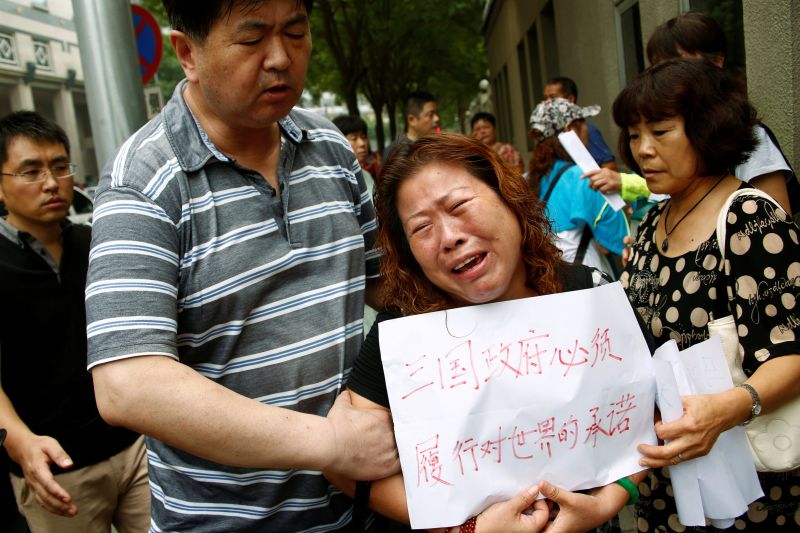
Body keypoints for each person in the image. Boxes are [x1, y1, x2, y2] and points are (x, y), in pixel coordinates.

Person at [84, 1, 399, 531]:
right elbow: (128, 383)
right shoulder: (145, 181)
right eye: (252, 41)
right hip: (226, 521)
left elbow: (386, 284)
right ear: (187, 52)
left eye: (295, 33)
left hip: (362, 509)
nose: (280, 58)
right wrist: (329, 443)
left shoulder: (330, 151)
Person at [327, 132, 651, 533]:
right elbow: (345, 467)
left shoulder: (588, 292)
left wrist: (608, 500)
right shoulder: (401, 332)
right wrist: (471, 530)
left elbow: (648, 407)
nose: (449, 238)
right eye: (422, 228)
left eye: (459, 205)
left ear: (508, 197)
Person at [615, 59, 800, 532]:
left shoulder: (750, 218)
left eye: (660, 131)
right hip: (671, 474)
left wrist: (730, 407)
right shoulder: (654, 220)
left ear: (708, 129)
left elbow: (793, 349)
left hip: (749, 481)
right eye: (634, 135)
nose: (643, 151)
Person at [0, 111, 150, 532]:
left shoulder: (99, 243)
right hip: (58, 470)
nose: (51, 183)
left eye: (60, 167)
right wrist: (22, 445)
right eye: (31, 171)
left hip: (135, 450)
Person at [585, 12, 797, 217]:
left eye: (679, 65)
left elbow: (774, 226)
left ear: (717, 61)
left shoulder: (749, 136)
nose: (668, 78)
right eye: (659, 67)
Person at [526, 98, 629, 278]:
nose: (587, 130)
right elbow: (618, 241)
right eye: (584, 123)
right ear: (570, 129)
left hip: (545, 282)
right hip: (586, 281)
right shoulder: (587, 177)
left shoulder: (524, 182)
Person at [543, 77, 618, 171]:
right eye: (545, 98)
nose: (547, 103)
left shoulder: (587, 131)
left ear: (570, 99)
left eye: (553, 97)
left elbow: (610, 168)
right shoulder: (549, 132)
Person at [384, 91, 441, 160]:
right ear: (412, 120)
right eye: (430, 114)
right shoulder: (396, 153)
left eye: (437, 114)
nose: (437, 119)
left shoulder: (435, 147)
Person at [332, 114, 378, 194]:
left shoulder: (366, 176)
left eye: (363, 137)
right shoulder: (333, 181)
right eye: (354, 138)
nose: (362, 143)